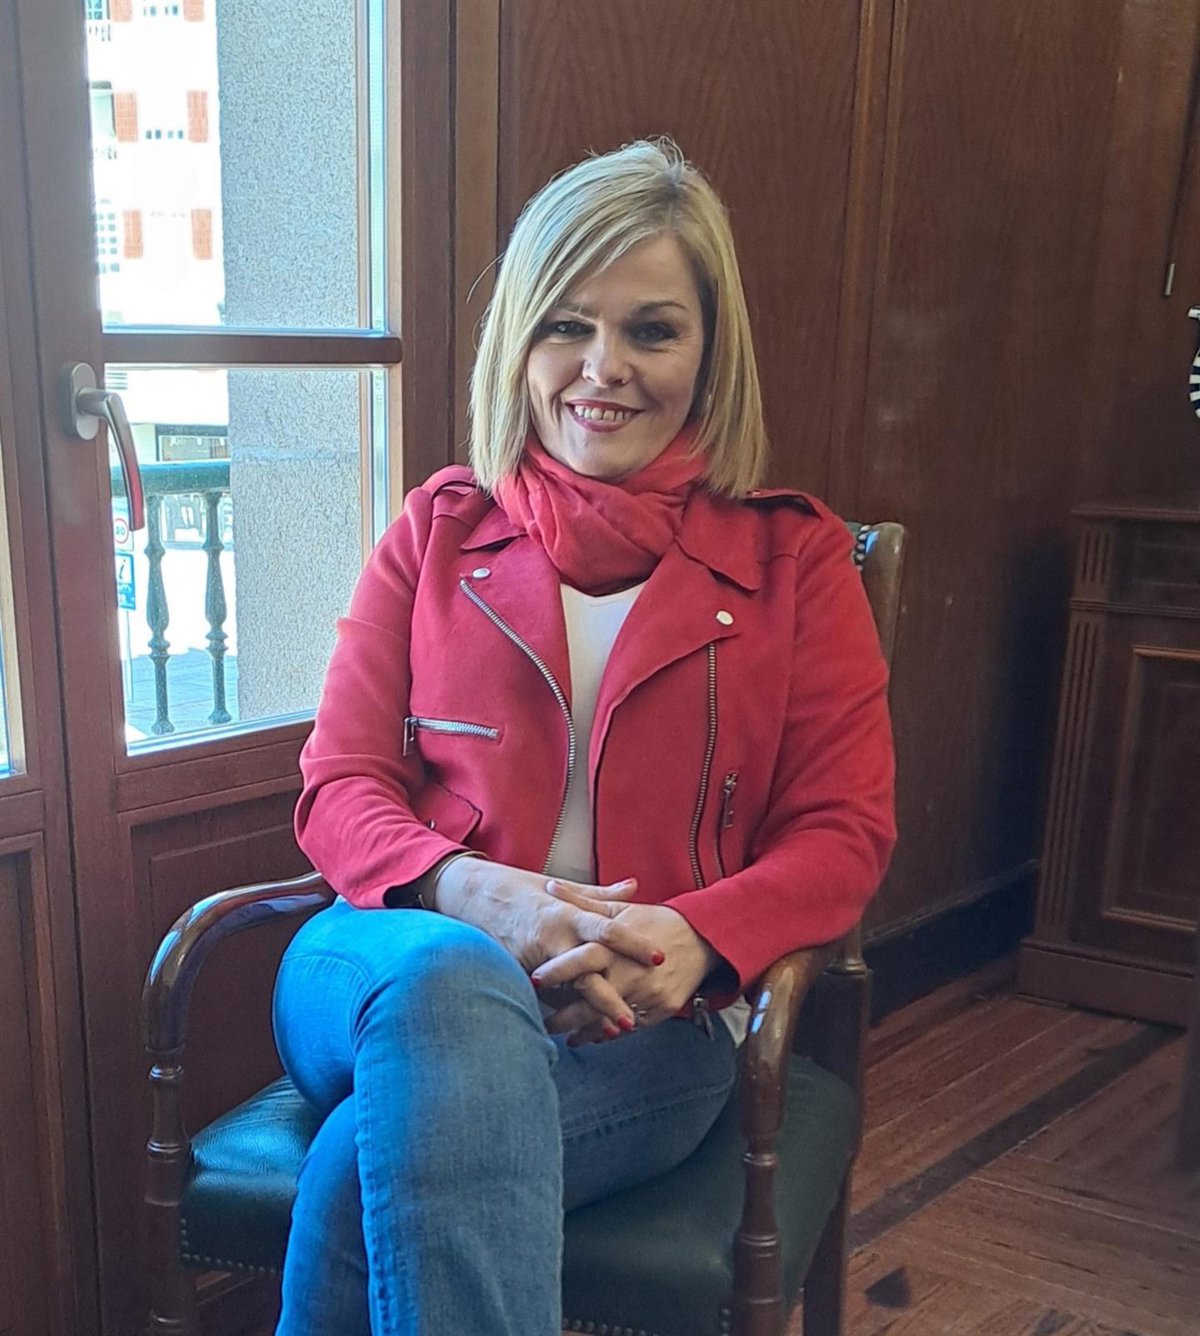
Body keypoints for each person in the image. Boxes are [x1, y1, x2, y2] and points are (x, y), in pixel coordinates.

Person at [272, 137, 896, 1336]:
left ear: (710, 352)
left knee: (362, 1174)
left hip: (643, 1014)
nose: (602, 368)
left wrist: (696, 935)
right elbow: (339, 785)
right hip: (386, 959)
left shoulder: (796, 559)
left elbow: (844, 830)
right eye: (567, 324)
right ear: (520, 339)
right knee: (452, 986)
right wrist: (478, 896)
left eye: (651, 330)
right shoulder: (436, 531)